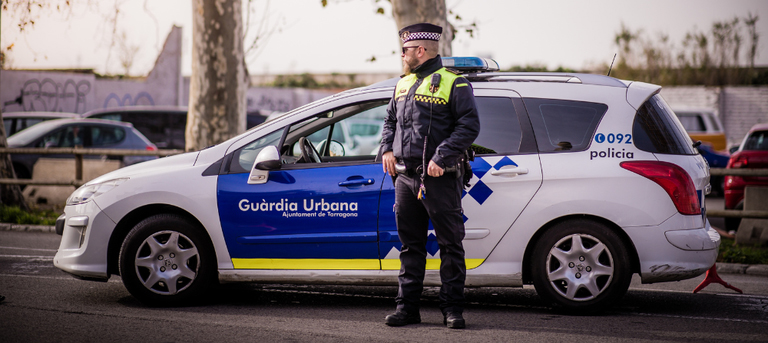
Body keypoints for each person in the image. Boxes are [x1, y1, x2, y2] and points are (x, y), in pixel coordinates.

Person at [379, 22, 480, 329]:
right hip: (405, 180)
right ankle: (407, 309)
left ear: (420, 51)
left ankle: (452, 310)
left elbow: (469, 126)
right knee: (410, 246)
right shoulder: (402, 84)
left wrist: (442, 156)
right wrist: (386, 150)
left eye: (405, 50)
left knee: (450, 245)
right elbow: (389, 122)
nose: (402, 55)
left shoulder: (454, 83)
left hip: (440, 178)